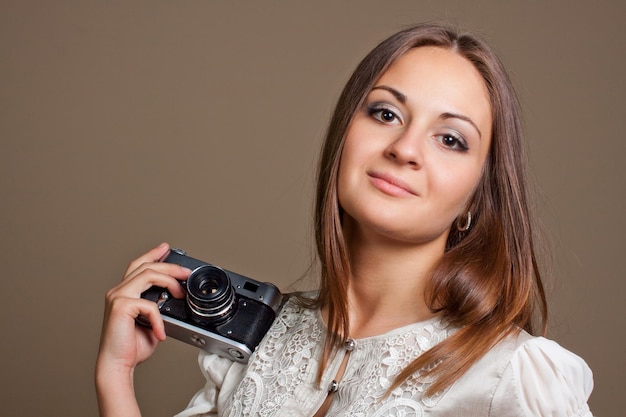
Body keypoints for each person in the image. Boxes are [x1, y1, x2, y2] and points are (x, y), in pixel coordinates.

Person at [96, 23, 594, 416]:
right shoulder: (261, 338)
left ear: (476, 199)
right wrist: (116, 377)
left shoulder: (511, 376)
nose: (403, 149)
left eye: (450, 139)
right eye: (385, 114)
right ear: (343, 137)